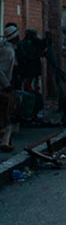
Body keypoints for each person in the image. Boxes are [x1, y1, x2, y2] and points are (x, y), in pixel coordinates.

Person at [0, 23, 18, 151]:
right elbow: (0, 70)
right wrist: (7, 85)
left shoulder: (8, 49)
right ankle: (5, 142)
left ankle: (5, 141)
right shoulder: (7, 51)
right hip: (3, 87)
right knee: (7, 114)